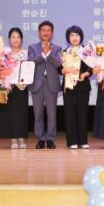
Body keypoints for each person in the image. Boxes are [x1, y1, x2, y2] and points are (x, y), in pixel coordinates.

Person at [28, 20, 62, 149]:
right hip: (37, 84)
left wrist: (49, 53)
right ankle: (41, 139)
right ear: (39, 32)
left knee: (52, 114)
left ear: (52, 33)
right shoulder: (32, 47)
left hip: (51, 84)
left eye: (48, 30)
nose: (46, 33)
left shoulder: (58, 48)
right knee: (38, 114)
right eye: (43, 30)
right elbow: (31, 62)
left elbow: (58, 63)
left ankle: (51, 139)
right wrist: (43, 53)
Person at [0, 28, 30, 149]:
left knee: (21, 113)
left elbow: (29, 70)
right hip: (8, 87)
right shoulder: (5, 54)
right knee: (9, 113)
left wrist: (23, 82)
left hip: (21, 87)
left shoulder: (26, 53)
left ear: (21, 39)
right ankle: (13, 139)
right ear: (9, 39)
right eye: (13, 37)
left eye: (18, 37)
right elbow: (0, 70)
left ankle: (21, 138)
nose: (15, 39)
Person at [61, 25, 92, 149]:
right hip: (68, 86)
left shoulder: (87, 51)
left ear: (81, 37)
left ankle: (83, 141)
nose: (74, 38)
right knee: (69, 113)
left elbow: (92, 68)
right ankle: (72, 141)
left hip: (83, 85)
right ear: (68, 38)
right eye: (72, 35)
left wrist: (86, 73)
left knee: (82, 113)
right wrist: (64, 70)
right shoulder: (64, 52)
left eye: (77, 35)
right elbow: (59, 68)